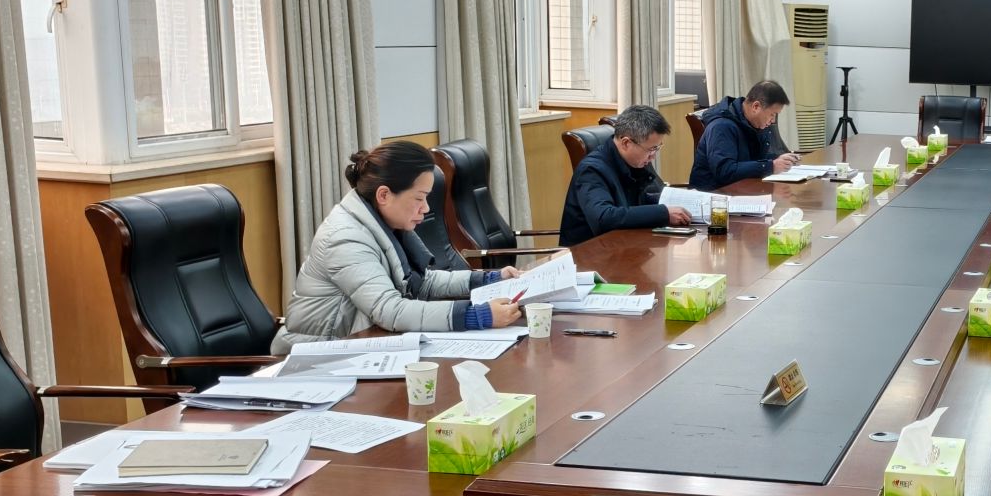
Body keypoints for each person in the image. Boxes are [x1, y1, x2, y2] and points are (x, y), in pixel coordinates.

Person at [275, 142, 524, 350]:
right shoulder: (344, 238)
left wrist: (490, 279)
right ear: (384, 195)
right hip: (317, 354)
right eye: (419, 198)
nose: (426, 208)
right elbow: (389, 310)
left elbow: (422, 282)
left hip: (362, 343)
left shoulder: (384, 223)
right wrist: (477, 315)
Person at [559, 104, 697, 246]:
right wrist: (663, 213)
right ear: (626, 143)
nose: (653, 156)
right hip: (591, 252)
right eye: (651, 149)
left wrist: (678, 201)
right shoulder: (591, 170)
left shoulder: (637, 160)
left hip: (627, 244)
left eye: (657, 148)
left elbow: (645, 196)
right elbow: (603, 218)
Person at [688, 80, 798, 189]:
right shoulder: (721, 126)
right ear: (756, 107)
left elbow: (754, 159)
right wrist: (771, 166)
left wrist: (779, 159)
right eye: (772, 114)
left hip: (743, 190)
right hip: (715, 194)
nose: (773, 120)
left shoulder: (755, 124)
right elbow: (725, 172)